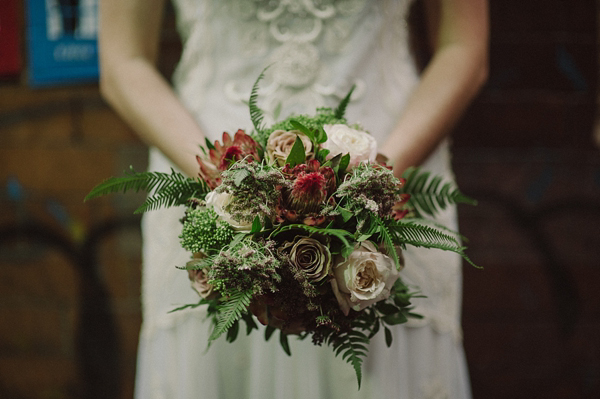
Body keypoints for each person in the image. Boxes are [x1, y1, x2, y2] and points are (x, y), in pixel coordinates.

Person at [99, 1, 488, 398]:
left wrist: (373, 180)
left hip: (393, 163)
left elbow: (463, 46)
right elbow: (123, 61)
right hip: (207, 172)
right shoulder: (217, 183)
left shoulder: (380, 179)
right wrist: (224, 183)